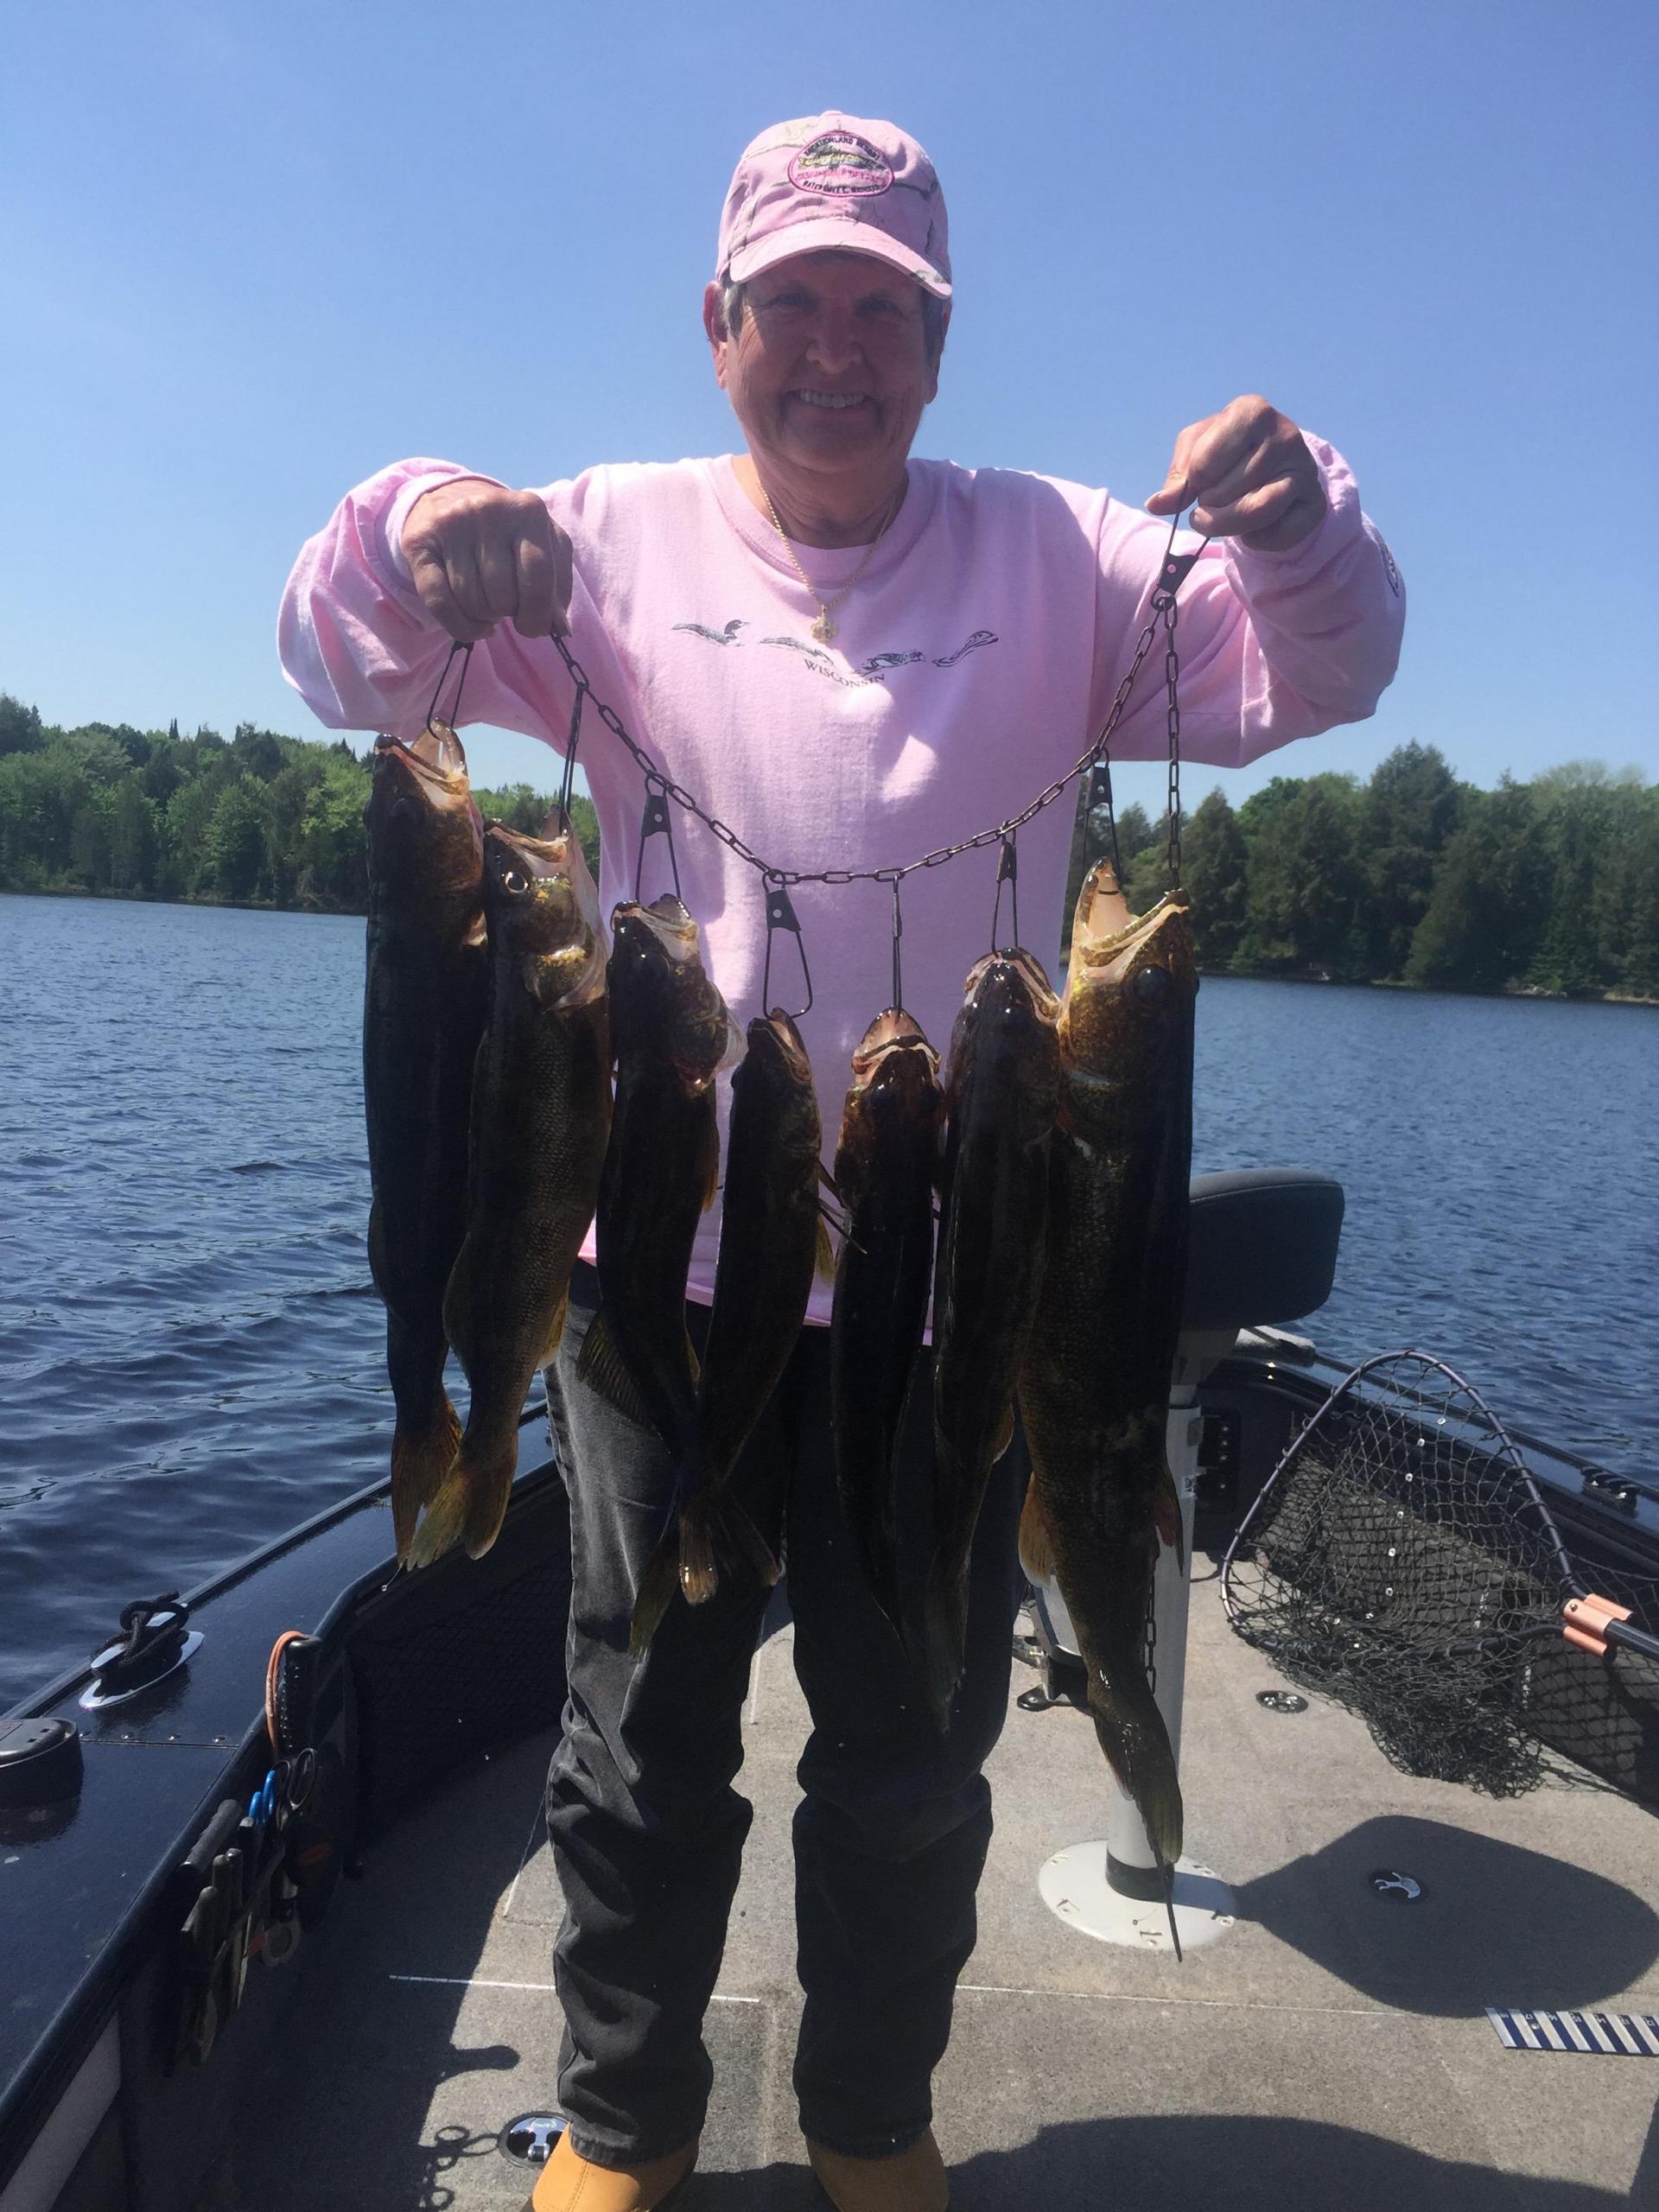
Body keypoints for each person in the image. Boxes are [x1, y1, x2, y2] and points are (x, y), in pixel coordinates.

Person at [281, 110, 1404, 2212]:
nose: (832, 350)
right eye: (787, 303)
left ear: (941, 341)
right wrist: (414, 518)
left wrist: (1304, 517)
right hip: (654, 1271)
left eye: (878, 309)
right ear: (716, 327)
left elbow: (1323, 670)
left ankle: (871, 2114)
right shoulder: (595, 540)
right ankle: (624, 2126)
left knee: (908, 1749)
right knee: (638, 1735)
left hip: (957, 1281)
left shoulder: (1074, 554)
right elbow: (340, 655)